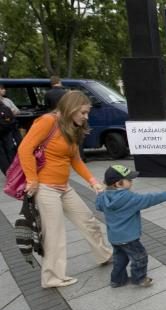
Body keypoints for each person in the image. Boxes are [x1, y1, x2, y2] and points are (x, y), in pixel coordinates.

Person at [18, 91, 112, 288]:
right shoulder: (47, 121)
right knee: (54, 233)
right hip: (45, 188)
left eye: (87, 113)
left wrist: (92, 181)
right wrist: (32, 179)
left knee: (88, 220)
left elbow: (75, 159)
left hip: (64, 187)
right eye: (83, 112)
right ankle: (52, 278)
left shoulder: (71, 127)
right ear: (71, 108)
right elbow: (24, 148)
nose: (86, 117)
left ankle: (105, 255)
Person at [96, 165, 166, 288]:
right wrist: (165, 195)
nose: (132, 182)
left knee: (120, 259)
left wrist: (100, 193)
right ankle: (139, 278)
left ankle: (117, 280)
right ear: (118, 184)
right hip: (129, 238)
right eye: (129, 180)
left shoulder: (104, 197)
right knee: (140, 257)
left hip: (115, 238)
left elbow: (99, 205)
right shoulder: (128, 197)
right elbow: (147, 199)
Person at [0, 85, 19, 174]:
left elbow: (17, 111)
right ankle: (12, 172)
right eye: (2, 89)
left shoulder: (7, 101)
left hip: (6, 131)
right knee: (8, 150)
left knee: (6, 152)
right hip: (7, 131)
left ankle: (10, 172)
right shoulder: (4, 104)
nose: (4, 90)